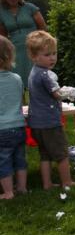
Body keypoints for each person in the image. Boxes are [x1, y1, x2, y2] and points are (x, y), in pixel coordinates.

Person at [26, 30, 75, 190]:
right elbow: (57, 95)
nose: (52, 58)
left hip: (36, 122)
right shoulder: (45, 75)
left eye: (54, 53)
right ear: (34, 56)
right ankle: (67, 182)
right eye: (47, 54)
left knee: (45, 155)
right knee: (61, 153)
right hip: (50, 122)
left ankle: (47, 183)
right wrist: (68, 92)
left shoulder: (33, 72)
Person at [0, 0, 46, 88]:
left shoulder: (30, 7)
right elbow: (3, 37)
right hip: (15, 51)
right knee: (18, 81)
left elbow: (43, 28)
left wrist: (40, 45)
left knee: (35, 79)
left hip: (34, 48)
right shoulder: (1, 12)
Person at [0, 35, 27, 199]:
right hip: (18, 126)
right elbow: (21, 101)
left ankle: (8, 192)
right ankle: (22, 188)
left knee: (3, 161)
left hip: (1, 129)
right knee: (19, 158)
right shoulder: (17, 79)